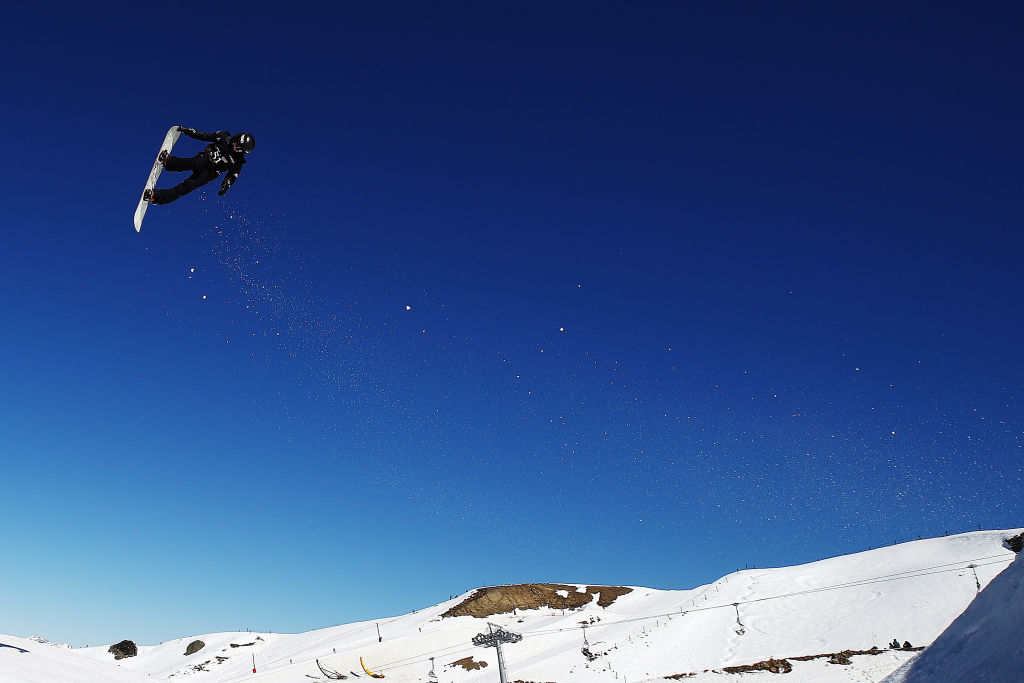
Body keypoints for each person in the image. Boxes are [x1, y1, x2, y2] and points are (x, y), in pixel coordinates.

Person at [145, 127, 254, 205]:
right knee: (195, 163)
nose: (237, 149)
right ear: (237, 138)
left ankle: (155, 197)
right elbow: (205, 136)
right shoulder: (223, 137)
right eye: (238, 146)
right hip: (206, 158)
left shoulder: (238, 161)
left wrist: (226, 185)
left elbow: (233, 175)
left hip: (210, 173)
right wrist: (189, 131)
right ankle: (168, 162)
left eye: (240, 150)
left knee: (187, 187)